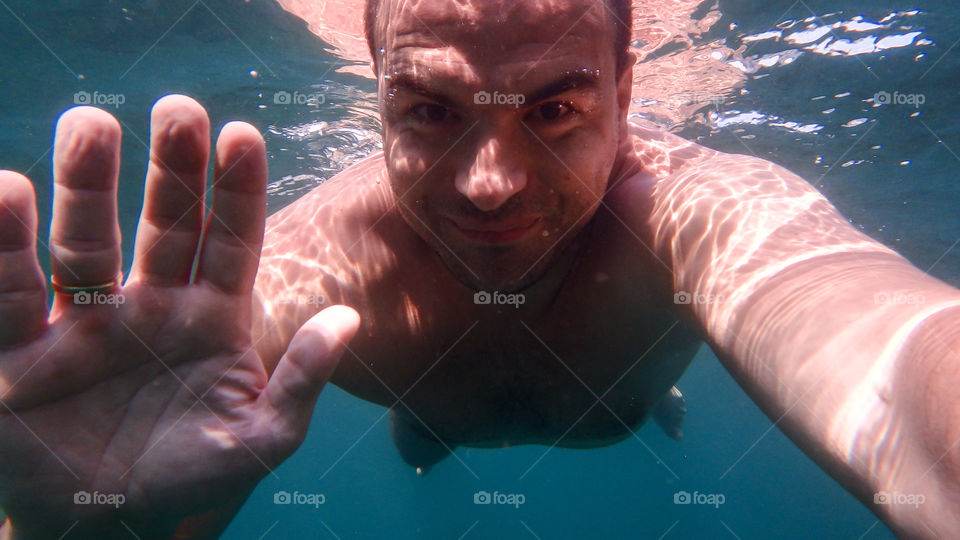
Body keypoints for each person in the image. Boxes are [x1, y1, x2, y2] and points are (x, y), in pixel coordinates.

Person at [1, 0, 958, 538]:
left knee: (620, 410)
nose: (492, 185)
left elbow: (886, 372)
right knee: (421, 440)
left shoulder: (699, 209)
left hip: (614, 413)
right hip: (432, 425)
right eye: (429, 111)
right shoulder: (303, 262)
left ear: (627, 94)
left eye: (553, 111)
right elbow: (143, 476)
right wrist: (74, 534)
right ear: (375, 105)